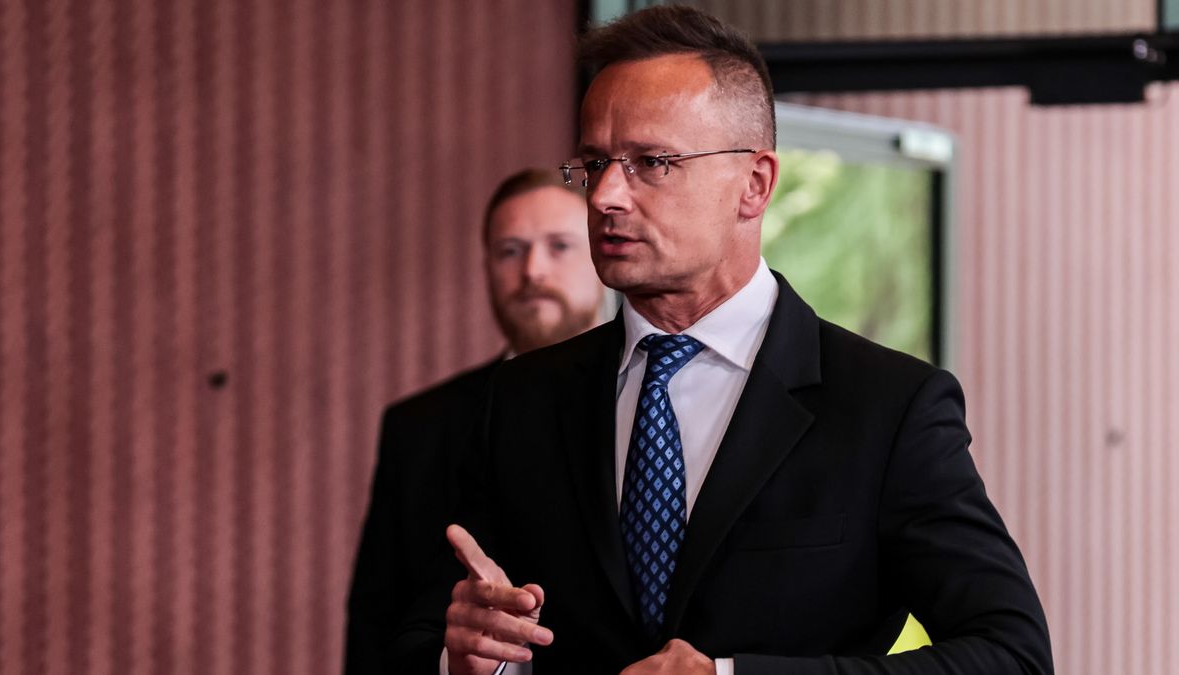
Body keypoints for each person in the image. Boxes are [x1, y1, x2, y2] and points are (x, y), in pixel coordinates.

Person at [396, 6, 1053, 675]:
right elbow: (421, 635)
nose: (605, 197)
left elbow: (1011, 655)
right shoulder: (520, 401)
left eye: (651, 162)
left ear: (755, 184)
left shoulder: (888, 408)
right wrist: (469, 657)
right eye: (595, 163)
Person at [343, 168, 608, 673]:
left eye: (560, 246)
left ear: (602, 254)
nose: (533, 270)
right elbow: (375, 622)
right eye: (510, 250)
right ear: (486, 265)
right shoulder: (416, 427)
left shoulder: (659, 406)